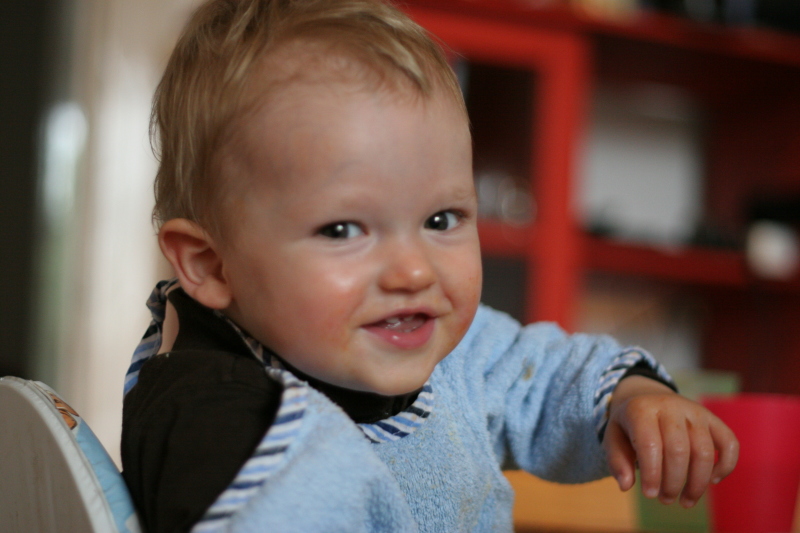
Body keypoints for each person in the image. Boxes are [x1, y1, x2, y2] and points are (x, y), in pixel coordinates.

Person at [120, 0, 739, 531]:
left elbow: (542, 376)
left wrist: (631, 397)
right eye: (343, 229)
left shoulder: (447, 353)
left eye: (442, 219)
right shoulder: (229, 428)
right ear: (213, 266)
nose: (414, 272)